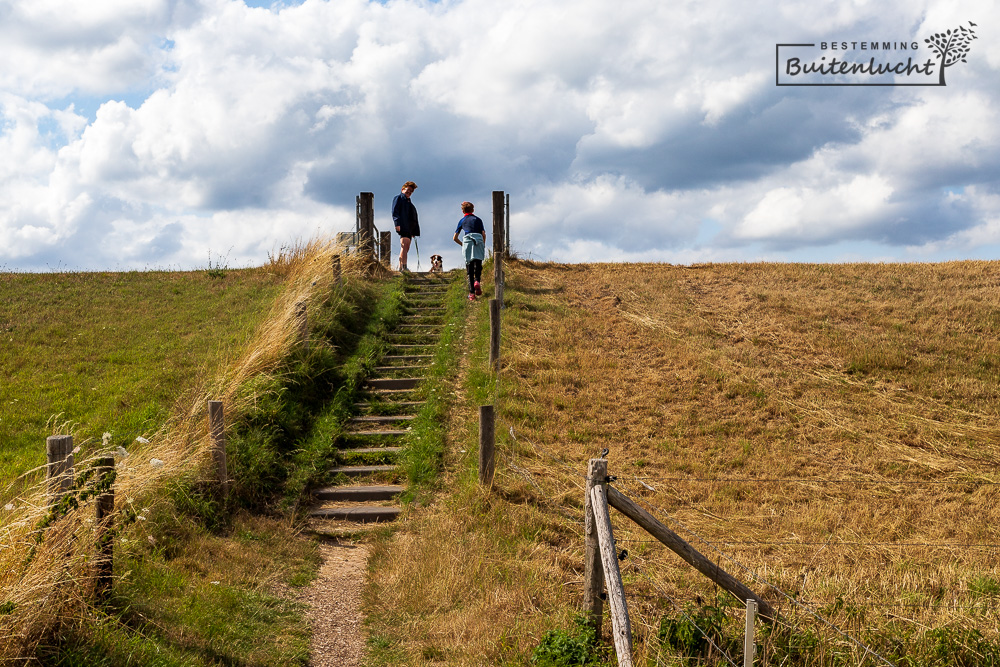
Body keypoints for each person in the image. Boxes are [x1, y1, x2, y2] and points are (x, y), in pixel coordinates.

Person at [453, 201, 486, 301]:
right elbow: (483, 234)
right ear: (473, 210)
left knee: (469, 267)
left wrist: (463, 245)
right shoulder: (478, 220)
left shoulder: (462, 221)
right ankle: (477, 281)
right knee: (478, 263)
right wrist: (482, 244)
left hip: (467, 242)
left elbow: (455, 237)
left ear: (463, 211)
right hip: (478, 241)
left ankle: (471, 293)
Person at [391, 181, 420, 272]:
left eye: (411, 191)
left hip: (409, 228)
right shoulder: (398, 198)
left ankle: (402, 266)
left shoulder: (409, 202)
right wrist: (397, 224)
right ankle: (403, 266)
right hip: (403, 225)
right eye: (408, 190)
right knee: (404, 245)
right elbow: (395, 211)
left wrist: (413, 231)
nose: (409, 192)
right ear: (403, 189)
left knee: (406, 247)